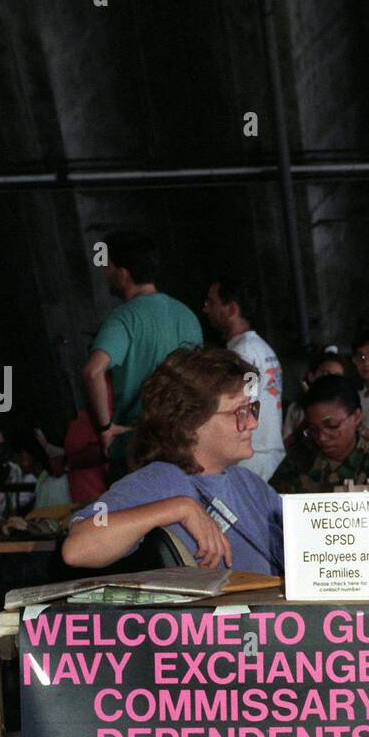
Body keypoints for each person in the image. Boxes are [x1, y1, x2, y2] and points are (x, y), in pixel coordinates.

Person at [63, 346, 283, 574]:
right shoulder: (160, 480)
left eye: (251, 409)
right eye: (239, 413)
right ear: (189, 423)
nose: (252, 424)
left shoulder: (248, 482)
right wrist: (180, 508)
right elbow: (78, 545)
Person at [82, 231, 202, 476]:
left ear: (123, 273)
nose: (106, 274)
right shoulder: (186, 315)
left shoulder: (124, 317)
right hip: (184, 446)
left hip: (136, 449)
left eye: (109, 268)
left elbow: (92, 372)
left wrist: (105, 428)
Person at [271, 376, 369, 494]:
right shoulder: (299, 461)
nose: (322, 438)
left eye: (332, 426)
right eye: (313, 429)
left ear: (356, 416)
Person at [203, 275, 285, 481]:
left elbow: (242, 403)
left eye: (211, 302)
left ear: (232, 309)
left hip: (253, 458)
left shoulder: (243, 354)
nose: (206, 309)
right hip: (265, 453)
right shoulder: (260, 347)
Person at [282, 348, 347, 448]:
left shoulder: (347, 408)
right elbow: (286, 445)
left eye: (337, 376)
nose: (330, 380)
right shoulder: (296, 409)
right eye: (325, 374)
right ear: (312, 376)